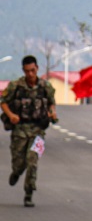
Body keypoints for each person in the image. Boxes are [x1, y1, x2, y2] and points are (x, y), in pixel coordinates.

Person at [2, 56, 57, 207]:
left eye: (33, 70)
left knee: (32, 161)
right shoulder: (16, 86)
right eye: (27, 71)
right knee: (19, 163)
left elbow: (52, 103)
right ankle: (16, 173)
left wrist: (52, 113)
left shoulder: (45, 86)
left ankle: (29, 193)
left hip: (39, 130)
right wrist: (11, 115)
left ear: (37, 69)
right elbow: (3, 102)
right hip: (20, 130)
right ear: (23, 71)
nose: (31, 74)